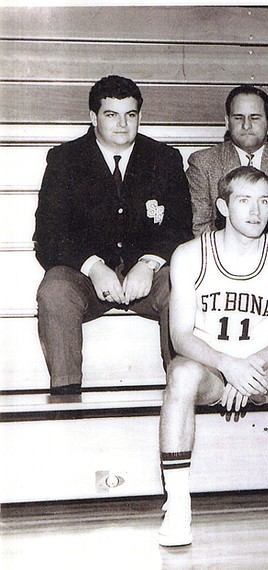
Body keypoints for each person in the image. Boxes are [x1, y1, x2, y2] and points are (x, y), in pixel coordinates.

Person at [158, 166, 268, 547]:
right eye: (245, 201)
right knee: (181, 375)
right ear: (222, 206)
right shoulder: (190, 254)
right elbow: (180, 335)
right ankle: (178, 503)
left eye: (264, 201)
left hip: (262, 367)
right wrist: (228, 366)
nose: (256, 211)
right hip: (212, 368)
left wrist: (250, 366)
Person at [34, 75, 192, 395]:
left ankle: (184, 389)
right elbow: (48, 234)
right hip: (86, 279)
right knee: (54, 290)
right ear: (93, 117)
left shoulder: (164, 158)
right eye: (111, 115)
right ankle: (66, 397)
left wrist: (149, 263)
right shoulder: (65, 159)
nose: (122, 124)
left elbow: (180, 228)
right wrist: (92, 266)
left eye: (130, 115)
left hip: (147, 278)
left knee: (179, 285)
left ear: (140, 117)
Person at [188, 85, 268, 248]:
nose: (246, 125)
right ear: (227, 122)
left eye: (254, 118)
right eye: (238, 118)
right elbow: (200, 224)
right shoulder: (203, 163)